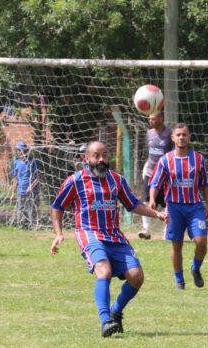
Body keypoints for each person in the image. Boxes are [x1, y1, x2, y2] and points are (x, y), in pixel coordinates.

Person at [50, 141, 168, 337]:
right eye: (96, 155)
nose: (102, 159)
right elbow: (57, 207)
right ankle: (105, 320)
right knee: (104, 271)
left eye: (105, 155)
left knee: (137, 276)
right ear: (85, 158)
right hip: (89, 233)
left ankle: (116, 311)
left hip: (114, 234)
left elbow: (133, 204)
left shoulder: (117, 180)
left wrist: (157, 215)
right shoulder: (75, 181)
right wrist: (58, 233)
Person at [148, 123, 208, 290]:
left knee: (201, 241)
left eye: (184, 134)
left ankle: (195, 268)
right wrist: (152, 199)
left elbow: (205, 184)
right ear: (173, 138)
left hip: (195, 207)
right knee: (177, 245)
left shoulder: (198, 159)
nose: (181, 137)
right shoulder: (165, 160)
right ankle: (179, 280)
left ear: (189, 137)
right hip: (174, 207)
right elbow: (155, 183)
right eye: (178, 135)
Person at [139, 111, 172, 239]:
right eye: (149, 119)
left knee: (167, 203)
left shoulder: (170, 134)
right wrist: (146, 166)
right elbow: (150, 153)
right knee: (146, 201)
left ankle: (167, 231)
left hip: (165, 174)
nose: (150, 121)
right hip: (150, 173)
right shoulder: (149, 133)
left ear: (161, 119)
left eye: (153, 119)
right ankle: (146, 229)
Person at [10, 140, 40, 229]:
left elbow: (39, 177)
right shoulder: (16, 162)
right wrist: (12, 193)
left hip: (32, 191)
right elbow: (15, 179)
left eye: (21, 150)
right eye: (18, 150)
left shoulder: (33, 162)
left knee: (31, 210)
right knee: (20, 210)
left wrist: (31, 187)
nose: (20, 152)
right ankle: (21, 226)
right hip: (21, 190)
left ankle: (33, 226)